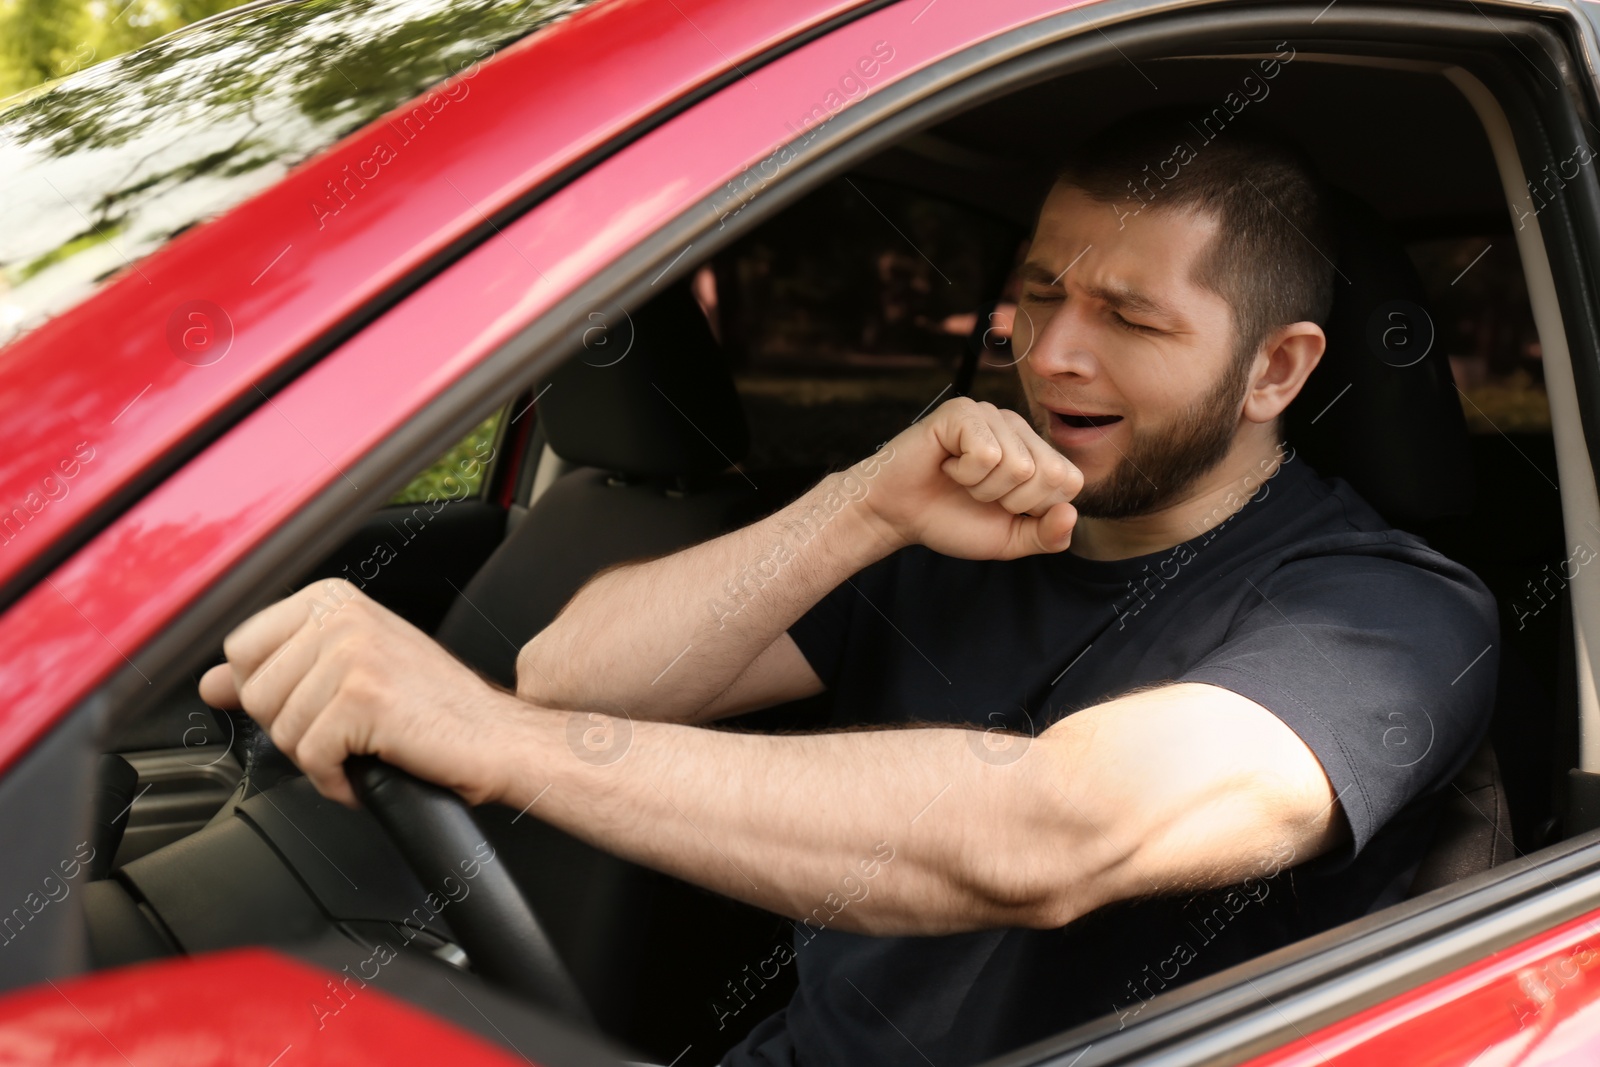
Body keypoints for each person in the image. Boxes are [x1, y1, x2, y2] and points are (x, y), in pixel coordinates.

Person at [199, 114, 1500, 1067]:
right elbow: (573, 674)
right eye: (1039, 289)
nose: (1050, 353)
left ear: (1276, 370)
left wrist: (486, 739)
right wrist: (859, 506)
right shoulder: (963, 526)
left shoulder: (1389, 617)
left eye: (1131, 318)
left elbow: (1058, 833)